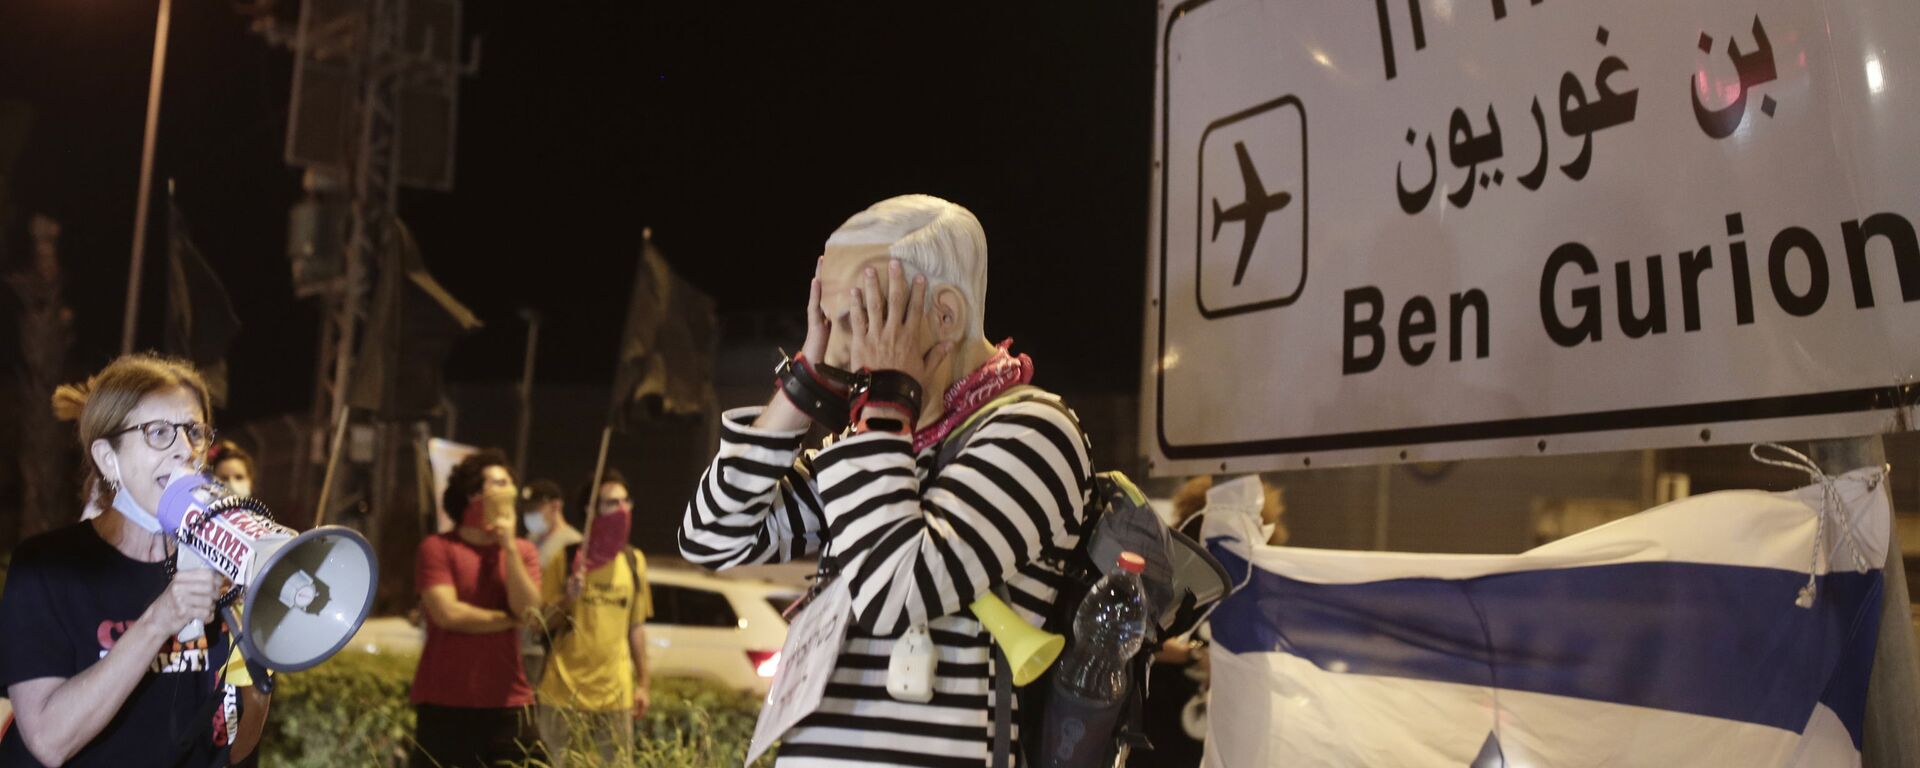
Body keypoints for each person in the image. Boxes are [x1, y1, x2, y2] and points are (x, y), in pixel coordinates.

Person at [679, 195, 1093, 766]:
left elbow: (898, 594)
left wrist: (884, 409)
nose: (839, 352)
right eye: (826, 322)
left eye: (858, 319)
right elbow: (711, 537)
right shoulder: (874, 443)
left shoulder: (1033, 431)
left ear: (944, 316)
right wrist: (802, 385)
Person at [0, 353, 265, 766]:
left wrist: (263, 652)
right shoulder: (47, 567)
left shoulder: (222, 570)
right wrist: (160, 619)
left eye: (195, 431)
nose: (185, 450)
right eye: (159, 432)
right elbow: (48, 742)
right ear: (109, 459)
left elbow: (232, 745)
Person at [409, 449, 542, 767]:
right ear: (472, 495)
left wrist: (508, 548)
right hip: (446, 705)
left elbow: (529, 613)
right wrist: (508, 619)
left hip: (509, 702)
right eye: (498, 483)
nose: (508, 491)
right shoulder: (438, 548)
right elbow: (448, 614)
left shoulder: (522, 551)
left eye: (510, 484)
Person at [534, 469, 652, 767]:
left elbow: (636, 627)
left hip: (615, 694)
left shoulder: (633, 560)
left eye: (626, 502)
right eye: (612, 503)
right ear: (590, 510)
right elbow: (541, 622)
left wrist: (643, 683)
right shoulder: (567, 558)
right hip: (563, 692)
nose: (622, 510)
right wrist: (568, 598)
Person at [518, 479, 577, 688]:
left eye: (536, 509)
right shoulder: (530, 539)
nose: (531, 515)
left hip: (546, 643)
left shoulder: (572, 545)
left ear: (556, 506)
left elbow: (570, 600)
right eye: (528, 509)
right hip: (522, 640)